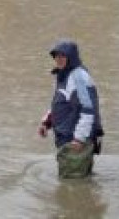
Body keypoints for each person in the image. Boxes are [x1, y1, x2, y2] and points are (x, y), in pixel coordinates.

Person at [38, 39, 104, 178]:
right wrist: (46, 123)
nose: (58, 59)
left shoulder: (79, 77)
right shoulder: (63, 75)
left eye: (62, 56)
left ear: (71, 57)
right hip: (67, 140)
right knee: (77, 184)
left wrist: (79, 139)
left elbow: (88, 110)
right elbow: (60, 104)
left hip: (74, 142)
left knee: (72, 184)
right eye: (56, 56)